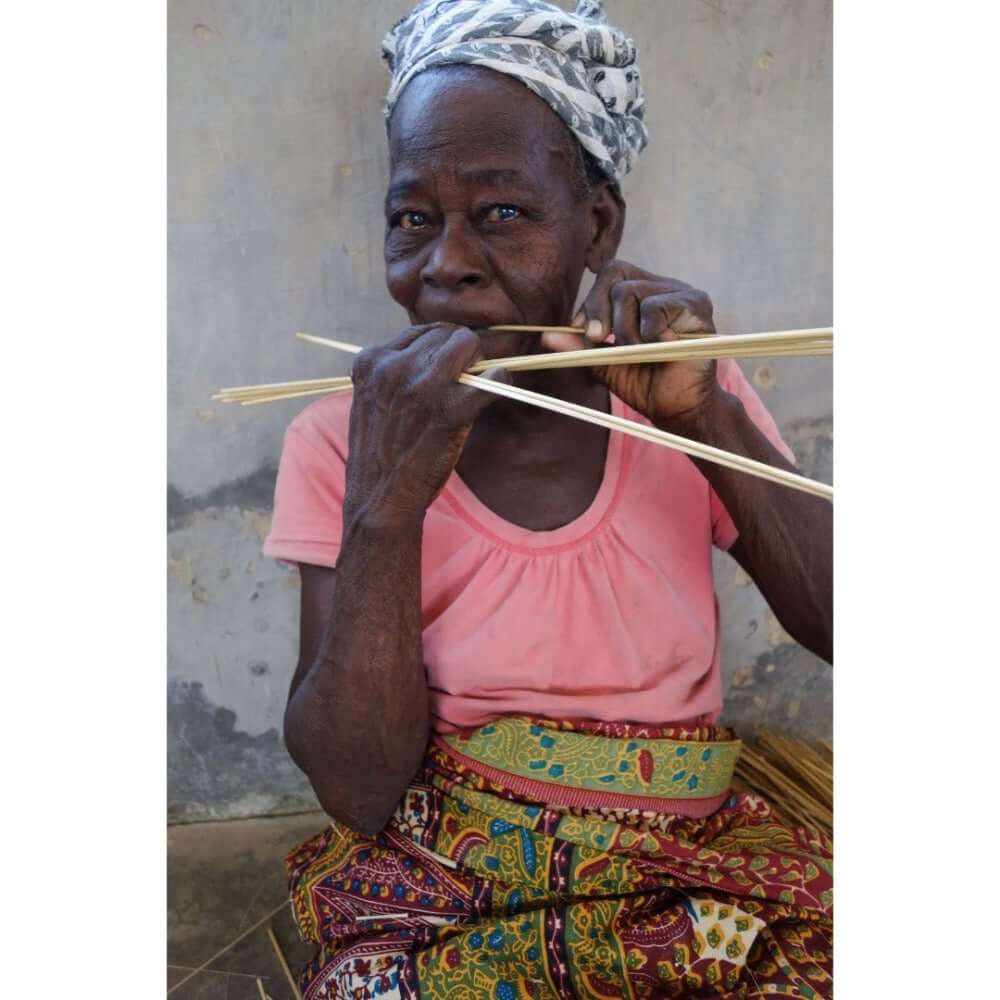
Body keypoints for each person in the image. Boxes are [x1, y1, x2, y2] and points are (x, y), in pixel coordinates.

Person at [263, 2, 833, 997]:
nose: (444, 261)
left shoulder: (686, 396)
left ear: (597, 225)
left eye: (501, 215)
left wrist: (707, 421)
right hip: (445, 877)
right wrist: (383, 504)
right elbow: (354, 787)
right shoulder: (338, 439)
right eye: (411, 219)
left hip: (684, 868)